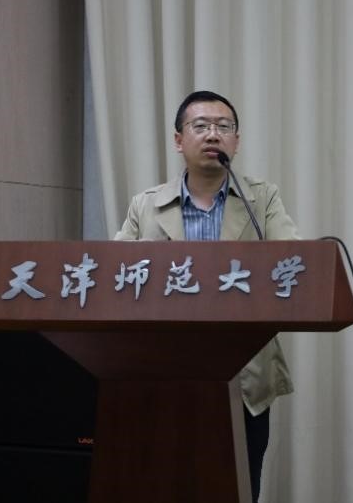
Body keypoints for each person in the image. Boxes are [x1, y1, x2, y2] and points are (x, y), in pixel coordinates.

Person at [114, 90, 298, 502]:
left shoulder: (262, 199)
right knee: (163, 487)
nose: (213, 134)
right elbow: (115, 278)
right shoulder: (146, 205)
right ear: (179, 140)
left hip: (244, 377)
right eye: (201, 126)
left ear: (236, 141)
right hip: (163, 373)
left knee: (238, 488)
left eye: (223, 127)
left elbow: (294, 264)